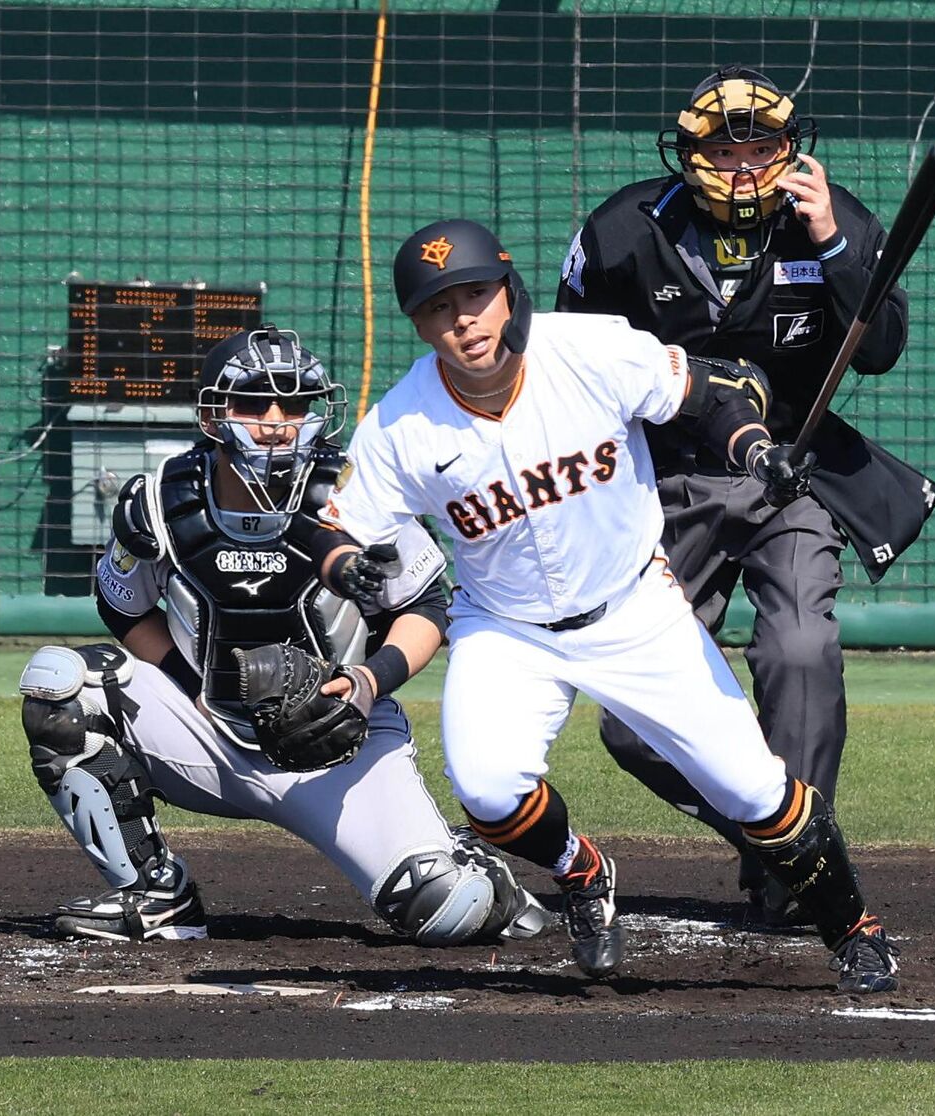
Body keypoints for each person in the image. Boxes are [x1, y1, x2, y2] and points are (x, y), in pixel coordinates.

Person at [317, 217, 900, 993]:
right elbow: (333, 528)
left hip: (634, 609)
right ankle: (580, 870)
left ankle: (853, 927)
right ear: (420, 326)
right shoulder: (399, 426)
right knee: (489, 792)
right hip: (507, 629)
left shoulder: (588, 349)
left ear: (509, 290)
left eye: (476, 294)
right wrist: (347, 563)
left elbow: (711, 393)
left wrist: (756, 447)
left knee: (755, 791)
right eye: (437, 308)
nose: (462, 318)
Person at [556, 64, 935, 923]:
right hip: (664, 484)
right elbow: (573, 369)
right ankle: (785, 838)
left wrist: (837, 245)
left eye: (761, 146)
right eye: (723, 147)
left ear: (788, 149)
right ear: (689, 152)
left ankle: (794, 875)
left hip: (793, 474)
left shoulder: (830, 218)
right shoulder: (623, 231)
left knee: (801, 649)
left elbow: (879, 345)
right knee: (629, 725)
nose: (743, 165)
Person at [18, 323, 546, 948]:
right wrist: (186, 687)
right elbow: (123, 606)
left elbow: (427, 606)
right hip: (211, 732)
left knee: (448, 912)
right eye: (254, 402)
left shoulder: (357, 491)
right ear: (216, 413)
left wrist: (370, 683)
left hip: (340, 746)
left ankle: (463, 860)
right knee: (61, 685)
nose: (276, 421)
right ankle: (154, 893)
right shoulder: (161, 497)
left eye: (293, 403)